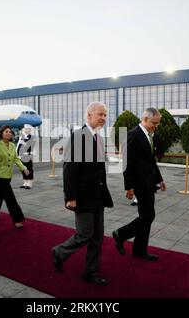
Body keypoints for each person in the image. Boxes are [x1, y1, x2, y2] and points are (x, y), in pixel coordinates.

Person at [52, 102, 113, 286]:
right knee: (84, 234)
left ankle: (90, 272)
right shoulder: (78, 137)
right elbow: (69, 169)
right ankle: (59, 252)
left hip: (98, 196)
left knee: (97, 238)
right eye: (100, 114)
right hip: (82, 197)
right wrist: (70, 197)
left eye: (105, 115)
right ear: (89, 115)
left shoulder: (98, 138)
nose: (103, 118)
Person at [112, 108, 166, 261]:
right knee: (149, 215)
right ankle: (121, 234)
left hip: (149, 182)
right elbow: (127, 163)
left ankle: (139, 250)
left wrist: (159, 179)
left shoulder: (149, 135)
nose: (156, 126)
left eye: (157, 123)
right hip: (139, 183)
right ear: (145, 119)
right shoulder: (133, 135)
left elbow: (150, 160)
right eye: (154, 123)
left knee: (146, 216)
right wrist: (129, 187)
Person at [0, 126, 29, 228]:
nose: (9, 133)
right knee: (10, 197)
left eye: (10, 132)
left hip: (8, 175)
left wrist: (23, 168)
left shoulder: (12, 145)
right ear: (1, 133)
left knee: (0, 194)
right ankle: (17, 219)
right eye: (6, 132)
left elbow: (16, 159)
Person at [17, 124, 35, 189]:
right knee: (23, 169)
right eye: (25, 129)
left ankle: (29, 183)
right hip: (21, 156)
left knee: (29, 169)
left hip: (28, 155)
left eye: (27, 129)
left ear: (30, 130)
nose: (26, 130)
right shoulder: (23, 137)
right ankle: (25, 182)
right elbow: (18, 146)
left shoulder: (31, 137)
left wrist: (22, 141)